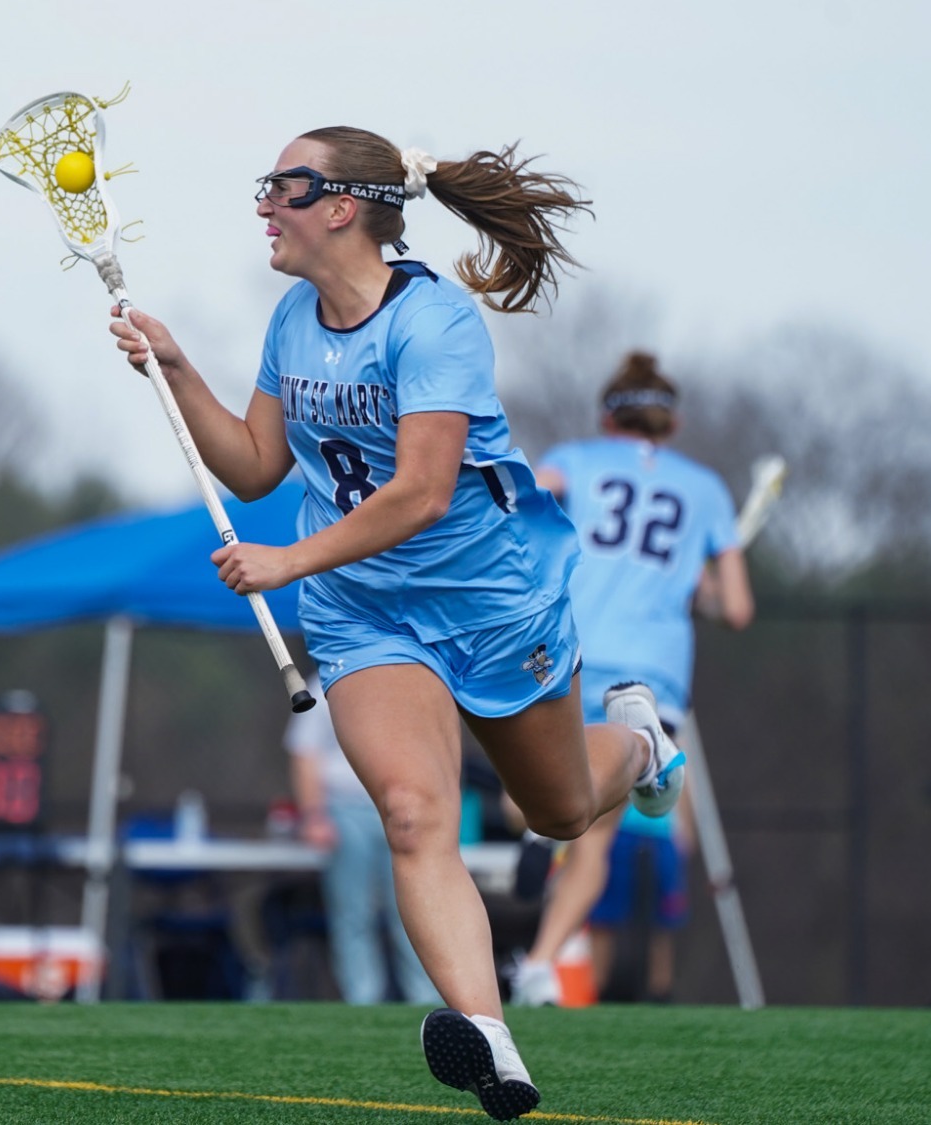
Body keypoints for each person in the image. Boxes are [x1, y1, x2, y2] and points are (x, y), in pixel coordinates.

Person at [110, 126, 681, 1121]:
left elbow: (420, 495)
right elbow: (252, 465)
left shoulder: (436, 325)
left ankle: (638, 741)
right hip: (365, 612)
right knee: (414, 817)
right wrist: (173, 366)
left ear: (340, 205)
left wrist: (287, 560)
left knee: (550, 812)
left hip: (490, 603)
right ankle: (492, 1043)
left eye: (279, 187)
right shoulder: (291, 318)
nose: (261, 207)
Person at [510, 352, 754, 1007]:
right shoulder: (704, 489)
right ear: (670, 423)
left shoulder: (578, 459)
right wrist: (693, 587)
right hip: (654, 674)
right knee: (596, 833)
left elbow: (525, 490)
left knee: (537, 792)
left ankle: (538, 916)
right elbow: (736, 608)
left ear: (606, 415)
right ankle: (539, 959)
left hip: (571, 657)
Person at [286, 673, 442, 1006]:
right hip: (345, 811)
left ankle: (425, 999)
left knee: (415, 910)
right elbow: (305, 751)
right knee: (352, 912)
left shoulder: (406, 680)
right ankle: (362, 999)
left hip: (403, 809)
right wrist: (314, 814)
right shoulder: (322, 684)